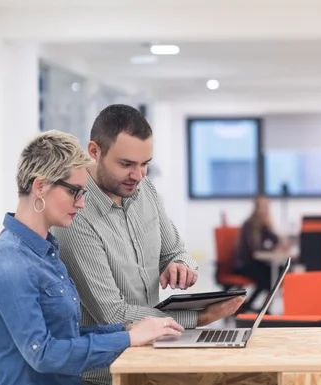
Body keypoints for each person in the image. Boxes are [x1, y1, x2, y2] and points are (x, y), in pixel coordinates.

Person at [52, 105, 244, 385]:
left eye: (145, 164)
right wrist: (198, 318)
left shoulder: (145, 190)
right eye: (126, 164)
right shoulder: (77, 218)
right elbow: (113, 314)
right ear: (94, 151)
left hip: (150, 354)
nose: (138, 175)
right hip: (106, 374)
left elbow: (176, 250)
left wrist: (179, 265)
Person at [0, 130, 184, 385]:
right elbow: (42, 354)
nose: (81, 203)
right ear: (40, 186)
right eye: (74, 192)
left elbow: (66, 335)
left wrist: (128, 329)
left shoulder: (45, 251)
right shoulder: (10, 262)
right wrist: (127, 339)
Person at [233, 195, 282, 312]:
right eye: (263, 207)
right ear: (256, 208)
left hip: (256, 262)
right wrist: (270, 249)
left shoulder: (263, 225)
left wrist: (270, 224)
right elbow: (254, 249)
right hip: (244, 264)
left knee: (278, 273)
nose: (266, 210)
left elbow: (276, 240)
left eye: (267, 207)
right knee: (268, 279)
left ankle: (255, 306)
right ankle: (259, 308)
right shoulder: (249, 225)